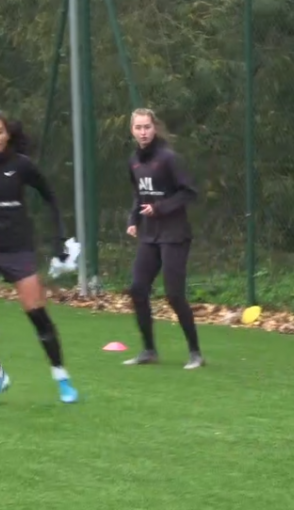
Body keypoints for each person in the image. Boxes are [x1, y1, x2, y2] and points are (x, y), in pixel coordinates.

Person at [0, 110, 78, 404]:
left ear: (7, 135)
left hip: (17, 249)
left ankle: (61, 377)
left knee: (36, 313)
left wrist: (59, 238)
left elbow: (50, 197)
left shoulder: (22, 166)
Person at [123, 108, 205, 370]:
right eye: (138, 128)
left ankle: (195, 352)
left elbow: (189, 193)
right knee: (137, 289)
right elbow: (139, 195)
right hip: (149, 236)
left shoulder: (169, 158)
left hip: (174, 234)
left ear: (154, 128)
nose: (143, 132)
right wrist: (134, 220)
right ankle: (148, 350)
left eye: (147, 127)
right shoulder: (133, 161)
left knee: (174, 294)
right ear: (132, 130)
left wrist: (159, 208)